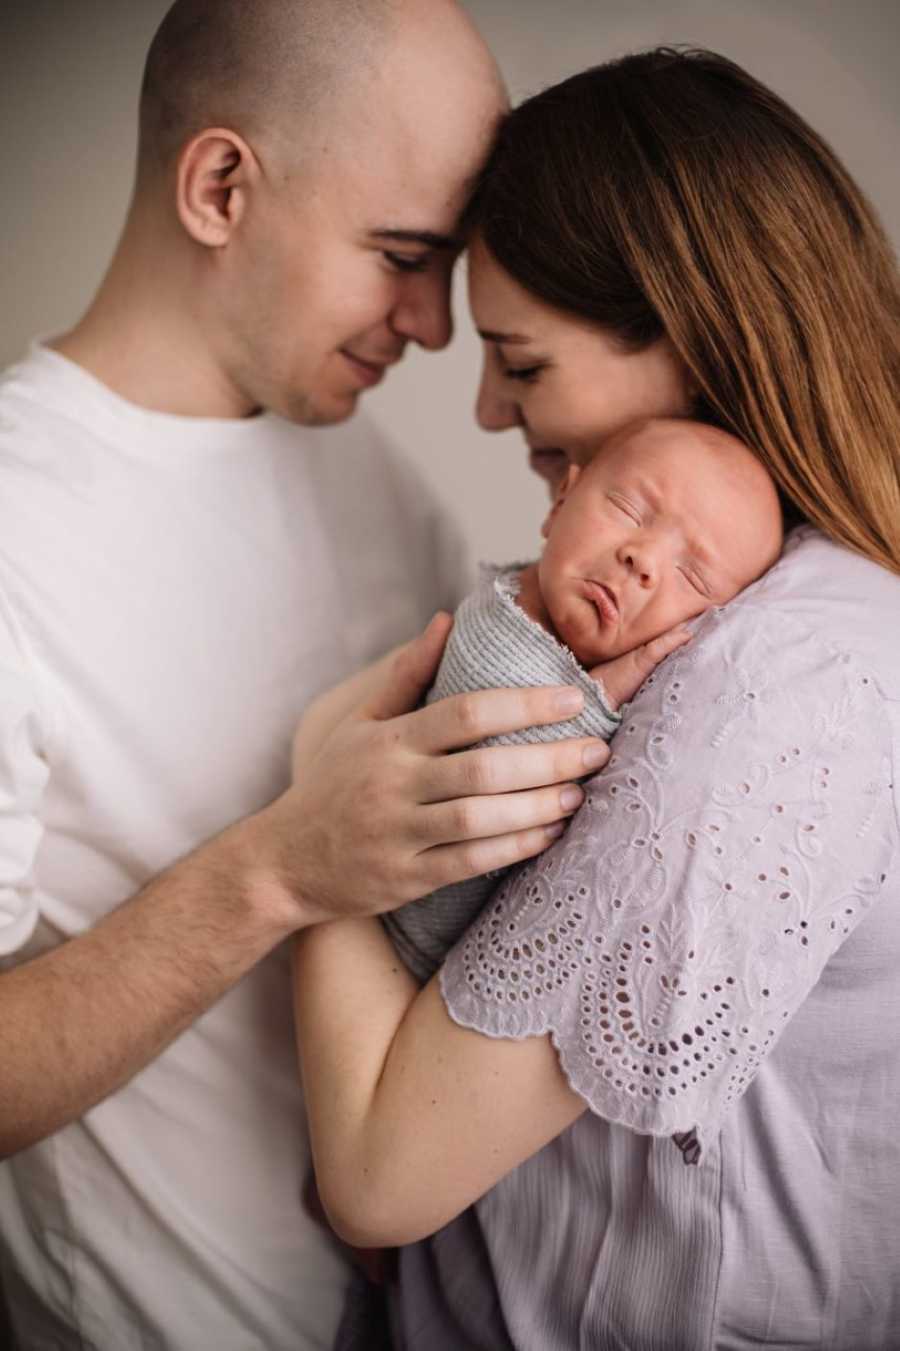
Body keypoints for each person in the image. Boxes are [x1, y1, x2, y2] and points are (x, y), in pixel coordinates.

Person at [0, 3, 610, 1348]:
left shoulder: (378, 480)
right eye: (401, 254)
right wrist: (279, 867)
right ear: (221, 186)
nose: (436, 328)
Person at [291, 48, 900, 1349]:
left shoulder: (765, 686)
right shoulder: (773, 609)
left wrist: (316, 807)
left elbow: (382, 1171)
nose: (487, 401)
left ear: (691, 331)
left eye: (522, 358)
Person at [384, 416, 784, 981]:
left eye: (691, 577)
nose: (642, 560)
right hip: (396, 934)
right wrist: (617, 683)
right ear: (560, 501)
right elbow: (504, 745)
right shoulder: (498, 619)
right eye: (628, 511)